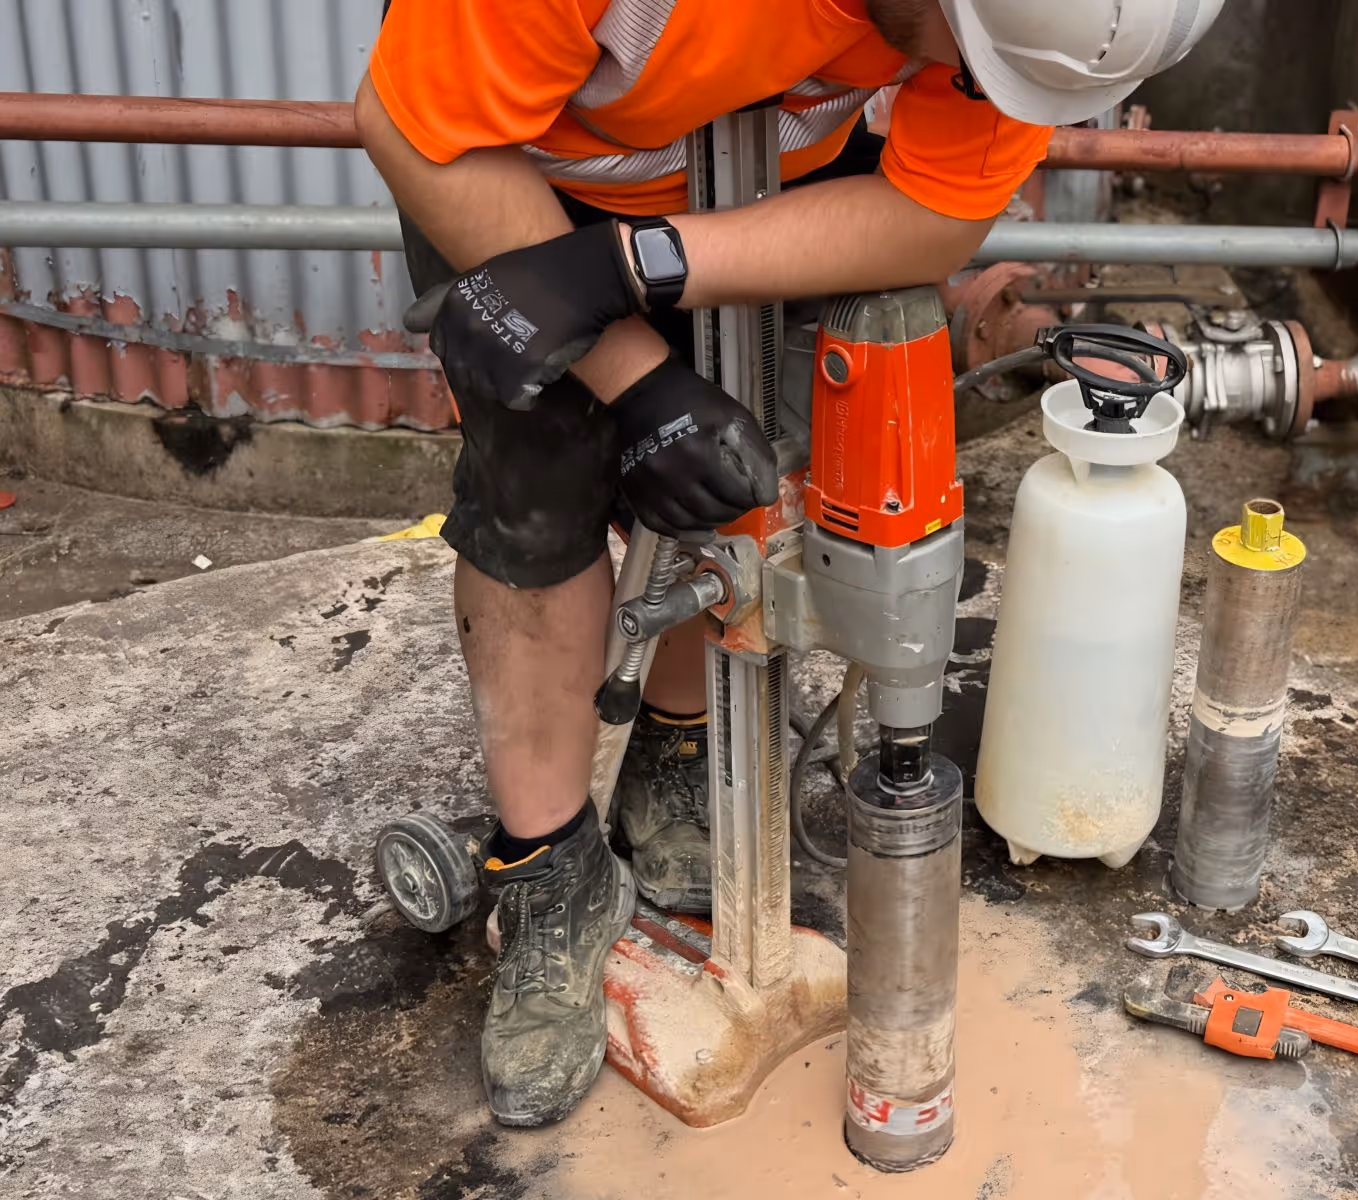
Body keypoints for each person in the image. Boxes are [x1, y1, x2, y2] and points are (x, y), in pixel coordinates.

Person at [359, 0, 1224, 1128]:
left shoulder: (1051, 17)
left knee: (737, 459)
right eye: (973, 64)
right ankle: (549, 873)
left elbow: (932, 214)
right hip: (516, 174)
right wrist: (637, 378)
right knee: (539, 495)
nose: (975, 90)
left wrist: (646, 267)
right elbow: (417, 129)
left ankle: (679, 754)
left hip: (770, 181)